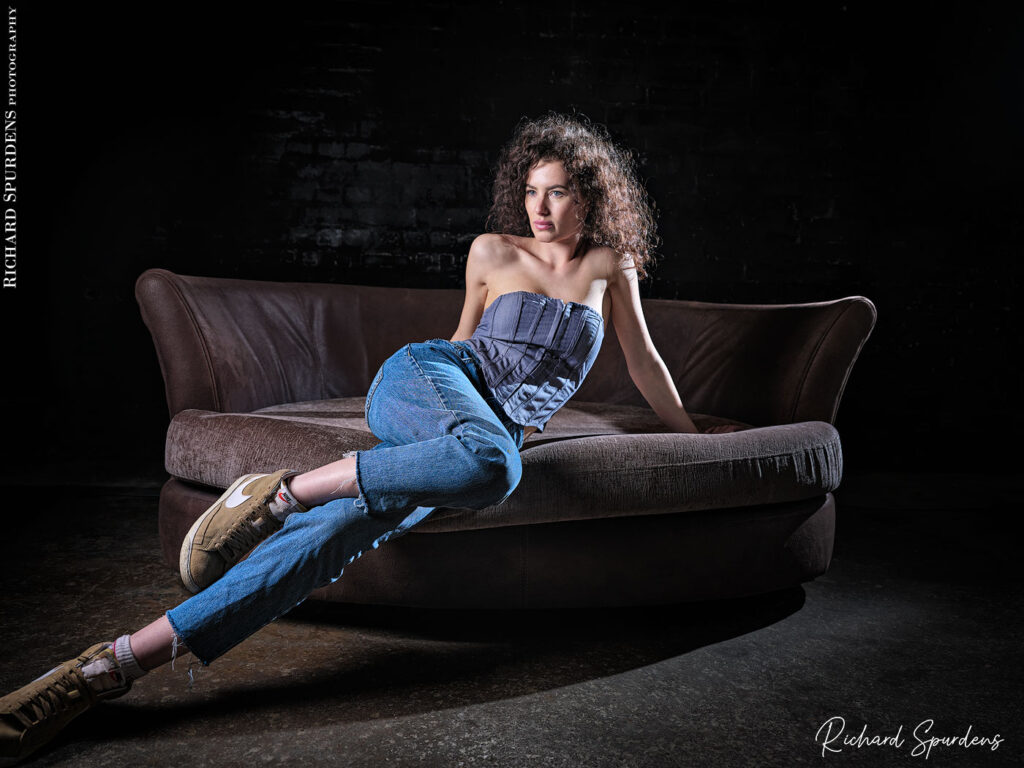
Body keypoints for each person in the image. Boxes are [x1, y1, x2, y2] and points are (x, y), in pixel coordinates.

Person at [0, 112, 700, 765]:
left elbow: (643, 361)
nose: (539, 209)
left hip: (476, 440)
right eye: (529, 192)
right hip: (428, 380)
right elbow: (459, 346)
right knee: (496, 466)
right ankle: (281, 494)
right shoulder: (492, 251)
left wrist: (696, 437)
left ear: (592, 198)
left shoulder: (611, 266)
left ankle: (105, 668)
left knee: (338, 533)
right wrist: (428, 423)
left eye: (557, 194)